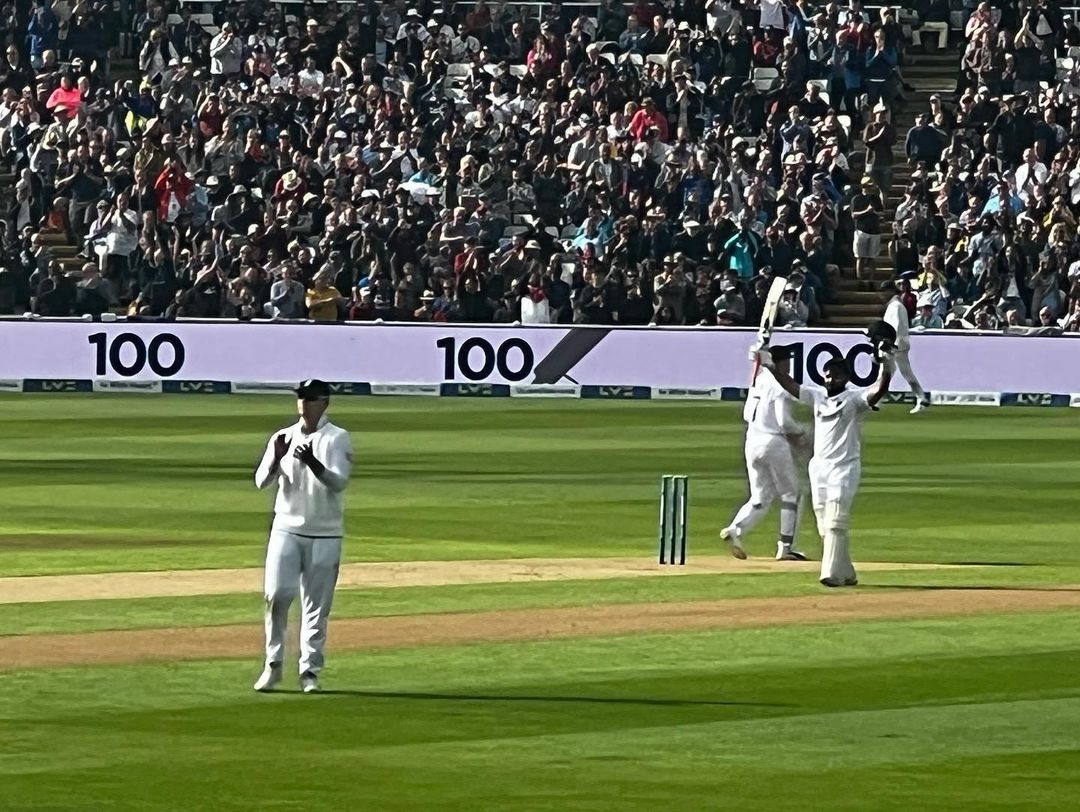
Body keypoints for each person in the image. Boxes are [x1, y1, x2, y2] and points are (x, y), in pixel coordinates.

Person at [751, 347, 893, 587]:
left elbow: (878, 390)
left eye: (836, 375)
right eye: (827, 374)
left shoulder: (854, 400)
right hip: (819, 469)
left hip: (844, 467)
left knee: (836, 520)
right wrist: (771, 366)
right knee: (824, 525)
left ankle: (830, 573)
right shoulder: (817, 397)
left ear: (846, 378)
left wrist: (886, 365)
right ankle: (846, 572)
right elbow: (791, 386)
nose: (830, 379)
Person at [252, 379, 354, 694]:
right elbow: (260, 482)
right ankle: (273, 664)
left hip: (325, 533)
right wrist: (275, 457)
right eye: (300, 399)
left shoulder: (338, 438)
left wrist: (313, 463)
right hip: (286, 528)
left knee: (316, 607)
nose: (304, 405)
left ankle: (310, 671)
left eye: (310, 399)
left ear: (324, 403)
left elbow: (339, 482)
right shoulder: (282, 437)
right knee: (277, 595)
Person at [720, 345, 809, 562]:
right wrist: (802, 433)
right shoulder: (778, 386)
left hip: (751, 442)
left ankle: (735, 529)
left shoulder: (757, 381)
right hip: (773, 443)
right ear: (779, 363)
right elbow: (784, 422)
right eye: (786, 360)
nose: (789, 364)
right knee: (792, 494)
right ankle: (786, 547)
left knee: (760, 496)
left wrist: (757, 351)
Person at [879, 280, 930, 413]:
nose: (881, 296)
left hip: (895, 345)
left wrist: (890, 343)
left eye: (883, 293)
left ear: (889, 291)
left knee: (888, 373)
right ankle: (921, 398)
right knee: (896, 373)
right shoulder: (895, 305)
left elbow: (896, 326)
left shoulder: (896, 306)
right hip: (897, 344)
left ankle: (876, 399)